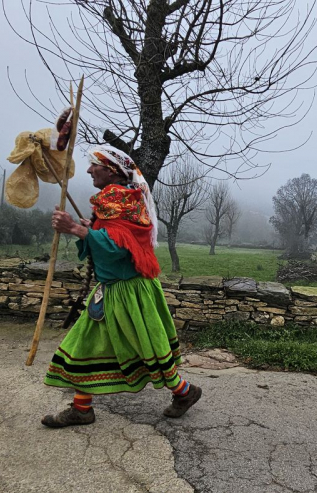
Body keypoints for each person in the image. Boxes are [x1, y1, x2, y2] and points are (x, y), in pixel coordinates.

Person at [41, 145, 201, 427]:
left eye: (94, 165)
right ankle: (82, 408)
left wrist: (78, 231)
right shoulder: (115, 199)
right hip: (114, 289)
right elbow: (109, 237)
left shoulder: (121, 199)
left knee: (145, 347)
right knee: (85, 345)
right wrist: (88, 230)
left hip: (129, 291)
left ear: (112, 170)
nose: (89, 170)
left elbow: (117, 247)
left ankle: (185, 392)